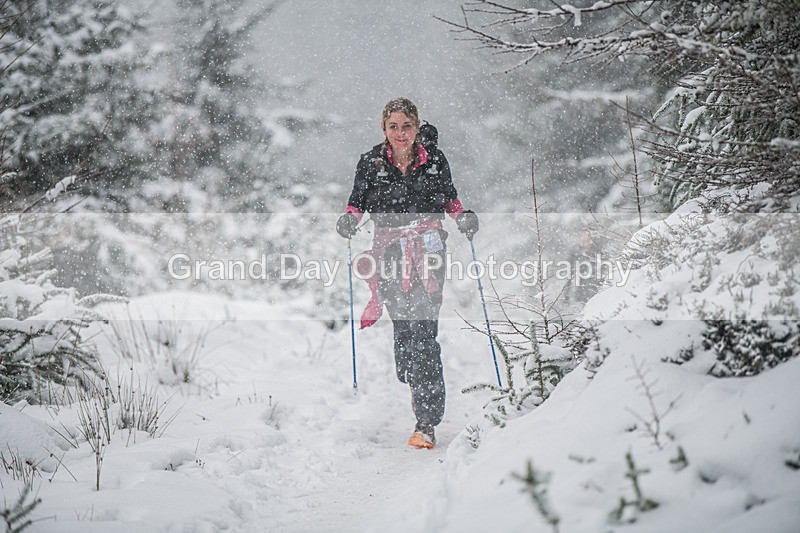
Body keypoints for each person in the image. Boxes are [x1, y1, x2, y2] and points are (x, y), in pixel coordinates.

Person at [336, 97, 479, 449]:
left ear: (417, 127)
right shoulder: (370, 163)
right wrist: (348, 221)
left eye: (407, 126)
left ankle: (426, 421)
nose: (401, 133)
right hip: (390, 253)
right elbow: (357, 202)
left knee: (423, 332)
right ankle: (414, 381)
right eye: (393, 127)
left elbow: (450, 199)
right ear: (384, 129)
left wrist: (463, 218)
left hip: (429, 249)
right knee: (405, 333)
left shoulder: (434, 161)